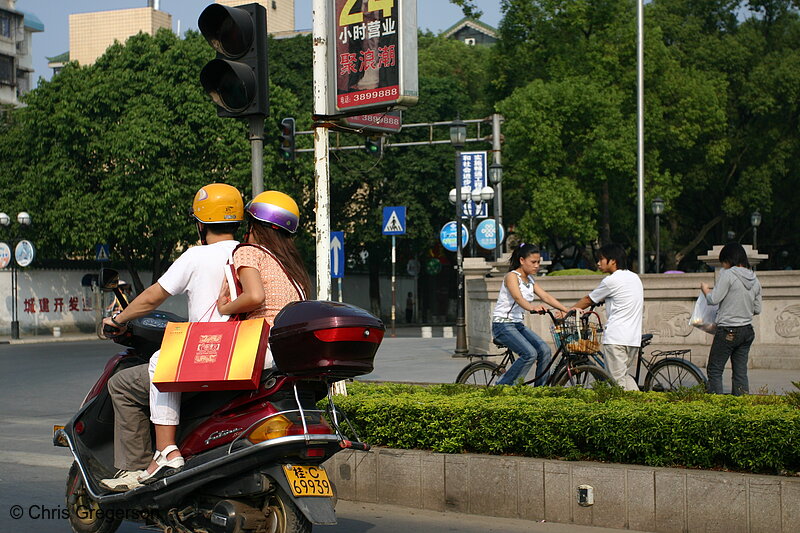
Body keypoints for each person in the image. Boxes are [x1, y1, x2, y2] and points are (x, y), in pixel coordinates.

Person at [99, 183, 243, 491]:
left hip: (207, 358)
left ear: (201, 223)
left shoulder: (196, 257)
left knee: (122, 384)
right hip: (243, 356)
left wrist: (118, 319)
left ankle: (138, 468)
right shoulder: (251, 254)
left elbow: (152, 298)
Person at [216, 190, 310, 340]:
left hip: (261, 339)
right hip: (291, 339)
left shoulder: (248, 251)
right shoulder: (291, 264)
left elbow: (255, 296)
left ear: (254, 226)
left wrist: (225, 308)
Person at [492, 243, 570, 386]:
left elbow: (545, 296)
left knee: (545, 350)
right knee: (529, 354)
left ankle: (540, 390)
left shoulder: (530, 280)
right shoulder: (511, 276)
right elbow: (518, 298)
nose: (536, 266)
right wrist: (532, 308)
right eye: (533, 262)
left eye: (538, 262)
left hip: (517, 325)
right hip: (502, 325)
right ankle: (502, 386)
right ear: (522, 260)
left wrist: (567, 310)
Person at [572, 243, 643, 391]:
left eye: (601, 259)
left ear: (613, 261)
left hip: (616, 338)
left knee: (616, 384)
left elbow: (588, 300)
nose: (598, 263)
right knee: (622, 376)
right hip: (633, 339)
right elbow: (622, 296)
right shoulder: (634, 277)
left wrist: (570, 311)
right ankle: (641, 405)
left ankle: (628, 412)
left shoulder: (611, 280)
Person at [700, 242, 762, 395]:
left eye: (724, 262)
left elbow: (713, 299)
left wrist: (705, 290)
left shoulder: (728, 274)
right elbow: (757, 309)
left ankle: (717, 408)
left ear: (728, 260)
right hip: (747, 331)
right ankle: (740, 409)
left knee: (714, 369)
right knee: (740, 373)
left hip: (728, 330)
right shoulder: (754, 279)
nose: (724, 266)